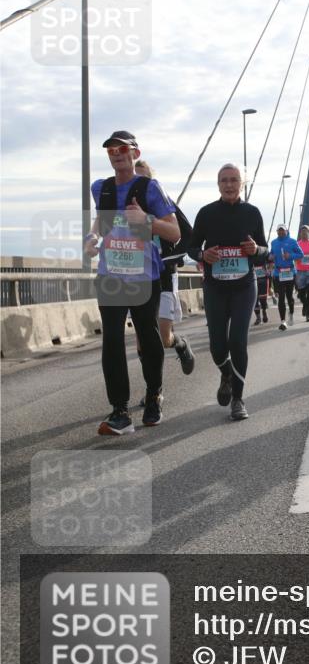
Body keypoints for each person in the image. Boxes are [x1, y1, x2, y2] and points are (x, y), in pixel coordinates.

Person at [84, 130, 180, 435]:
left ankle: (153, 396)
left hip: (144, 277)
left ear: (135, 154)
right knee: (112, 340)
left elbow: (174, 232)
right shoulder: (100, 188)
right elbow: (102, 221)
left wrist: (146, 221)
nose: (116, 154)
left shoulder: (149, 187)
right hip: (111, 276)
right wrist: (92, 238)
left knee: (148, 337)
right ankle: (120, 412)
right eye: (111, 150)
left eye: (122, 149)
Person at [188, 163, 269, 421]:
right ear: (218, 184)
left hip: (244, 286)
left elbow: (265, 251)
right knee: (217, 347)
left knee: (238, 341)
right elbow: (191, 247)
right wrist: (202, 254)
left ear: (242, 184)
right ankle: (226, 373)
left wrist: (255, 250)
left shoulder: (253, 213)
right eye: (224, 180)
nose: (229, 184)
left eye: (234, 180)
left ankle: (238, 398)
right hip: (215, 288)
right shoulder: (206, 213)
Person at [134, 161, 195, 376]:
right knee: (141, 339)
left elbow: (189, 236)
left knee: (163, 337)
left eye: (144, 179)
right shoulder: (126, 207)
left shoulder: (165, 204)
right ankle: (153, 390)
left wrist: (170, 259)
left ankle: (180, 344)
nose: (139, 184)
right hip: (138, 278)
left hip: (164, 276)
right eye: (135, 179)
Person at [269, 224, 303, 330]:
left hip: (290, 272)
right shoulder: (273, 242)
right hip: (278, 273)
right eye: (279, 231)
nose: (281, 232)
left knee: (289, 296)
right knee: (281, 298)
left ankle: (291, 314)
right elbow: (271, 254)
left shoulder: (292, 241)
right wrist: (271, 257)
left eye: (282, 230)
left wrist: (290, 256)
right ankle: (283, 321)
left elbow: (301, 254)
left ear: (286, 231)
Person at [295, 224, 309, 322]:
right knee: (301, 294)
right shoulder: (297, 244)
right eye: (302, 232)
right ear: (300, 234)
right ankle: (305, 305)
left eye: (306, 232)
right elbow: (294, 255)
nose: (304, 234)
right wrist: (298, 257)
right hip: (300, 271)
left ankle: (308, 314)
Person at [253, 255, 271, 325]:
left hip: (263, 278)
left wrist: (269, 270)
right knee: (254, 299)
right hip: (253, 279)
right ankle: (258, 318)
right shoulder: (249, 252)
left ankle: (264, 311)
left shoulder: (264, 251)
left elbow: (271, 261)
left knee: (263, 299)